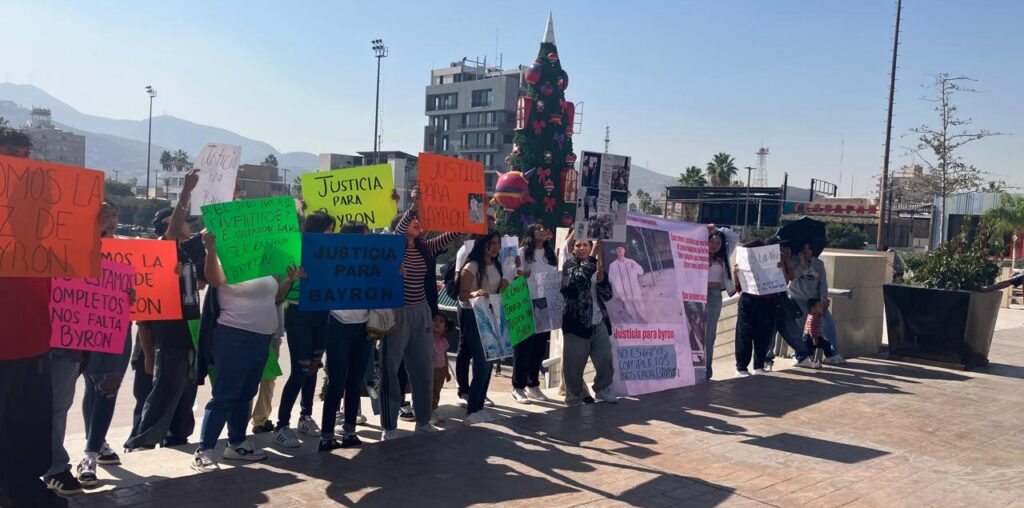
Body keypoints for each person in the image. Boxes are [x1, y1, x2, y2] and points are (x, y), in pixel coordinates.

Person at [191, 232, 301, 472]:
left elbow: (276, 298)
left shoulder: (266, 264)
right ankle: (205, 449)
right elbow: (213, 279)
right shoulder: (227, 260)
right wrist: (210, 249)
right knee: (225, 393)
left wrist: (289, 280)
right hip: (233, 335)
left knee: (246, 391)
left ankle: (237, 443)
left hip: (261, 337)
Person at [0, 133, 67, 508]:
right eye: (12, 155)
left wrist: (92, 229)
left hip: (36, 341)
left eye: (26, 154)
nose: (22, 161)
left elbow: (73, 269)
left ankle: (24, 488)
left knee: (28, 427)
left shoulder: (46, 220)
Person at [44, 201, 127, 496]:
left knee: (58, 406)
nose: (110, 218)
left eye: (112, 213)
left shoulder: (120, 251)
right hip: (37, 337)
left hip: (71, 343)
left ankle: (55, 467)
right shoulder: (52, 243)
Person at [124, 170, 204, 454]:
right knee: (164, 393)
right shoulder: (162, 249)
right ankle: (141, 443)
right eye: (183, 222)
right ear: (169, 224)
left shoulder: (186, 253)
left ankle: (177, 439)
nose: (190, 226)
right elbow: (142, 321)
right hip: (168, 337)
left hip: (188, 333)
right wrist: (186, 191)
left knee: (185, 395)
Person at [385, 194, 460, 439]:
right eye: (413, 219)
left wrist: (468, 215)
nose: (417, 222)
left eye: (419, 219)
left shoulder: (425, 247)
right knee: (390, 368)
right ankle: (390, 425)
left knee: (423, 369)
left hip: (421, 312)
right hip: (397, 313)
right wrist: (414, 207)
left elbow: (452, 235)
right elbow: (399, 231)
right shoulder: (392, 248)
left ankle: (423, 419)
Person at [273, 213, 334, 449]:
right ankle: (282, 425)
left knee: (313, 367)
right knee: (299, 370)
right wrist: (292, 279)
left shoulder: (331, 253)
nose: (331, 233)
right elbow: (280, 294)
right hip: (299, 314)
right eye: (328, 229)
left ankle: (305, 416)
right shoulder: (293, 249)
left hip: (322, 312)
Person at [320, 220, 375, 451]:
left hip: (363, 326)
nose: (366, 241)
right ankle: (327, 435)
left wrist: (394, 273)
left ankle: (350, 431)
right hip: (338, 325)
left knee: (355, 381)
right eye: (362, 236)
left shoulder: (372, 261)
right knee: (337, 382)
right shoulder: (332, 260)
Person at [458, 231, 508, 422]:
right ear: (483, 245)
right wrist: (474, 293)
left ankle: (478, 406)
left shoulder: (497, 265)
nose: (496, 247)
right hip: (473, 316)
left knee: (490, 359)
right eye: (492, 243)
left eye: (498, 243)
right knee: (482, 362)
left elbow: (496, 292)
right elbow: (462, 295)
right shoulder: (471, 266)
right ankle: (471, 409)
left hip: (491, 315)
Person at [560, 236, 617, 406]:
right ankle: (574, 395)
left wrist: (602, 281)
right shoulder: (569, 265)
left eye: (586, 245)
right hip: (576, 323)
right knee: (574, 364)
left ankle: (602, 388)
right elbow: (576, 281)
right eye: (578, 245)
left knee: (605, 357)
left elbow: (608, 295)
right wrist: (593, 256)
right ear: (573, 249)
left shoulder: (596, 266)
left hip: (598, 321)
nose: (582, 248)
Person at [732, 238, 795, 377]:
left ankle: (759, 365)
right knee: (744, 334)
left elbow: (784, 282)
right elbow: (738, 287)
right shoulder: (751, 253)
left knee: (764, 334)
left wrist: (782, 267)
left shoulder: (779, 262)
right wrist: (736, 273)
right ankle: (741, 367)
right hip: (749, 300)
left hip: (769, 302)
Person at [511, 224, 556, 404]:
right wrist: (522, 274)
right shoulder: (522, 253)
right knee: (523, 348)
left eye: (545, 228)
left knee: (538, 347)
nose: (543, 230)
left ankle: (533, 384)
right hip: (525, 303)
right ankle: (518, 387)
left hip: (544, 305)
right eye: (538, 228)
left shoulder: (549, 254)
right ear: (530, 232)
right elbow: (514, 275)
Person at [790, 242, 845, 365]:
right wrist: (801, 264)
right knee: (799, 327)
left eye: (808, 248)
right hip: (797, 298)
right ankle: (799, 354)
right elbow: (792, 278)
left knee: (828, 324)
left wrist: (823, 300)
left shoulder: (819, 264)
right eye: (803, 248)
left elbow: (823, 283)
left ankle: (833, 353)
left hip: (814, 301)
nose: (805, 251)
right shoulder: (794, 261)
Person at [705, 228, 736, 380]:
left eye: (718, 242)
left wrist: (717, 229)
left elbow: (734, 236)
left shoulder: (723, 258)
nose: (714, 245)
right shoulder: (696, 253)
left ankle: (706, 368)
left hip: (714, 296)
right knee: (692, 332)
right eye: (711, 240)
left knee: (709, 334)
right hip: (696, 294)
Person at [607, 246, 648, 323]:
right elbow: (610, 280)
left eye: (621, 248)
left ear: (624, 250)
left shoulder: (631, 262)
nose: (620, 250)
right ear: (616, 251)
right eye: (618, 249)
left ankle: (645, 319)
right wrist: (617, 294)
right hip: (623, 292)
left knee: (640, 306)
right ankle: (635, 321)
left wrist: (634, 267)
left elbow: (641, 271)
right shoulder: (613, 265)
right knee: (629, 308)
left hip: (634, 290)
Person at [802, 298, 836, 368]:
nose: (822, 308)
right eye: (820, 306)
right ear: (813, 309)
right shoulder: (812, 318)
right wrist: (814, 339)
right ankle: (813, 361)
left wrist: (826, 306)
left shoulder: (816, 314)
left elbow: (822, 312)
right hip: (810, 337)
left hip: (815, 337)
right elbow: (811, 329)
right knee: (810, 350)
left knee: (826, 344)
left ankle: (827, 357)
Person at [431, 313, 453, 415]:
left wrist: (447, 372)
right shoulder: (427, 340)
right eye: (435, 320)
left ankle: (433, 409)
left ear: (445, 328)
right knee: (428, 392)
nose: (437, 323)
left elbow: (445, 356)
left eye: (441, 321)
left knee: (437, 392)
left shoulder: (444, 341)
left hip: (441, 371)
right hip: (430, 371)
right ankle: (427, 412)